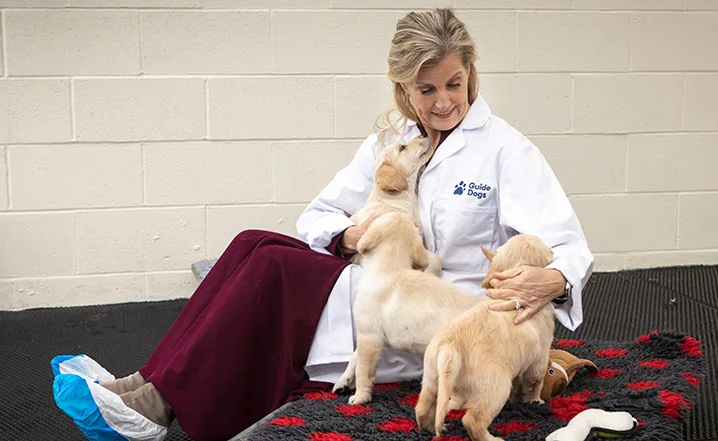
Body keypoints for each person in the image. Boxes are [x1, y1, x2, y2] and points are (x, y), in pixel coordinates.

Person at [51, 8, 593, 441]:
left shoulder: (506, 151)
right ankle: (142, 383)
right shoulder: (391, 142)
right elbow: (317, 217)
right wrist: (353, 236)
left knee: (274, 268)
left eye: (454, 82)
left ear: (470, 71)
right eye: (426, 91)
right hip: (381, 286)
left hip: (443, 317)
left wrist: (555, 279)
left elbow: (569, 245)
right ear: (403, 87)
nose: (445, 102)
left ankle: (151, 408)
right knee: (251, 244)